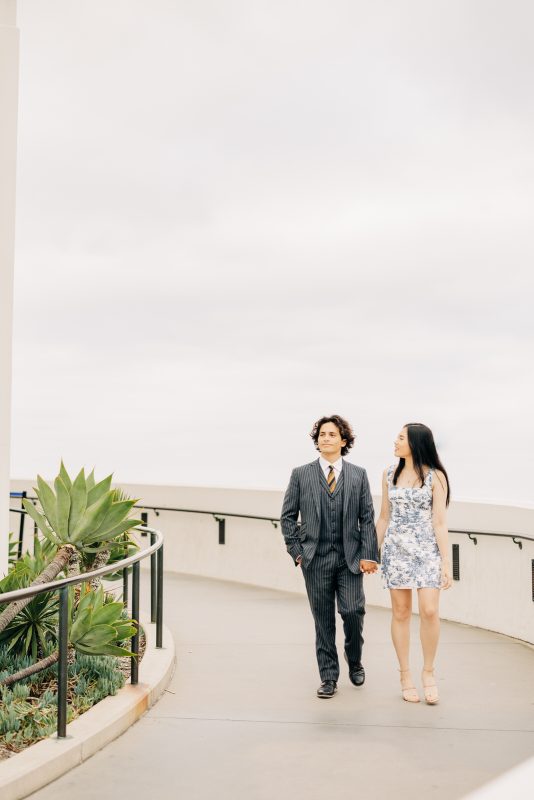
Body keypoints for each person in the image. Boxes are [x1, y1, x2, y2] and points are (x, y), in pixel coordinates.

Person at [281, 415, 379, 699]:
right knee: (323, 620)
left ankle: (355, 657)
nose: (325, 438)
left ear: (343, 441)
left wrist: (368, 555)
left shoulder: (358, 475)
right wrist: (297, 552)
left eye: (332, 434)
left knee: (352, 611)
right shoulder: (301, 474)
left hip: (349, 559)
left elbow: (367, 518)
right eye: (322, 434)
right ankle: (328, 677)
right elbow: (288, 517)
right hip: (315, 559)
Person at [376, 422, 452, 705]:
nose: (395, 441)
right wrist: (373, 552)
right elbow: (384, 517)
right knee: (401, 612)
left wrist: (446, 563)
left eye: (401, 438)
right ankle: (405, 675)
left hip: (427, 551)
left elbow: (440, 522)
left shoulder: (436, 477)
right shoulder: (387, 474)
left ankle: (428, 672)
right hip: (396, 552)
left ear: (417, 443)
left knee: (430, 610)